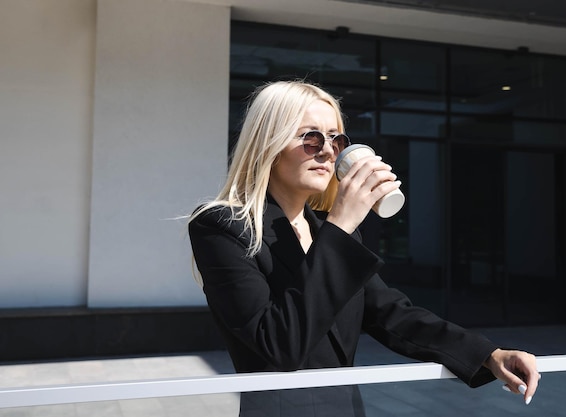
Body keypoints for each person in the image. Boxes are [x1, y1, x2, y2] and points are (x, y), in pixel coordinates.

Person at [188, 80, 540, 416]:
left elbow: (392, 315)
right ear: (269, 142)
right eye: (311, 138)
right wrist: (340, 226)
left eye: (336, 140)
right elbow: (281, 346)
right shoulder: (221, 227)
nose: (327, 151)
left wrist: (487, 354)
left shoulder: (330, 232)